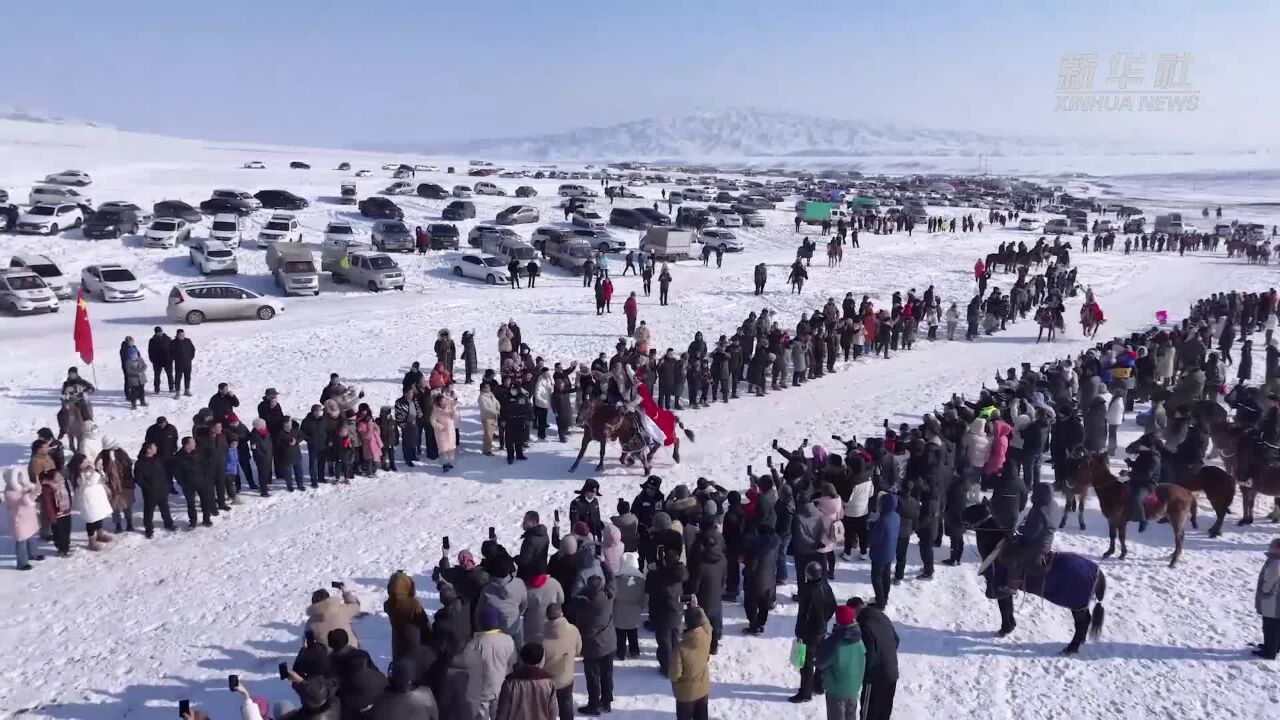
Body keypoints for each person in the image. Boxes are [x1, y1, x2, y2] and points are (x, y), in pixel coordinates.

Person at [1000, 483, 1057, 594]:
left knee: (1009, 555)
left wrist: (1020, 529)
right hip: (1045, 542)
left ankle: (1012, 586)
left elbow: (1031, 533)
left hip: (1035, 546)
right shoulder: (1053, 504)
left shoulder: (1040, 510)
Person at [791, 561, 836, 703]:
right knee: (819, 659)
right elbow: (833, 606)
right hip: (821, 630)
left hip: (809, 633)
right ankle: (818, 685)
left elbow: (804, 614)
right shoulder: (826, 586)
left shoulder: (807, 591)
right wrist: (824, 619)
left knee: (806, 663)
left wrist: (799, 631)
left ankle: (805, 692)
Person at [462, 607, 518, 720]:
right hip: (501, 689)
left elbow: (466, 666)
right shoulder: (508, 640)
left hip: (481, 691)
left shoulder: (474, 644)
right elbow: (513, 663)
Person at [572, 575, 617, 715]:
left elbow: (572, 598)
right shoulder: (608, 598)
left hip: (591, 645)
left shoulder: (582, 604)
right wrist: (603, 563)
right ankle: (607, 702)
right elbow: (612, 581)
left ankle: (594, 704)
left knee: (592, 677)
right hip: (608, 643)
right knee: (607, 674)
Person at [848, 597, 899, 720]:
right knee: (884, 713)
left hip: (876, 677)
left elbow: (869, 655)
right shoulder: (881, 615)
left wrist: (862, 675)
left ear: (855, 610)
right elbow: (896, 640)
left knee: (869, 713)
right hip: (892, 672)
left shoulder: (864, 624)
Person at [817, 605, 866, 720]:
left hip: (837, 690)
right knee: (851, 716)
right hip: (853, 687)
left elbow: (820, 663)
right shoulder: (858, 637)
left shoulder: (834, 642)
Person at [670, 605, 713, 720]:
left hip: (686, 693)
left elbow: (675, 675)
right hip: (703, 688)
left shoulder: (680, 648)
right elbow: (706, 622)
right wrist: (698, 609)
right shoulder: (707, 634)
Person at [496, 643, 558, 720]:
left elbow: (503, 711)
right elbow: (552, 710)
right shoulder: (548, 682)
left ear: (522, 658)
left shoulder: (510, 682)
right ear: (541, 659)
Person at [540, 603, 581, 720]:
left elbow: (539, 664)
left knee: (547, 708)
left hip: (548, 682)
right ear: (561, 613)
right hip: (566, 677)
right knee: (566, 705)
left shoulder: (542, 639)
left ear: (547, 616)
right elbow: (578, 650)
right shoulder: (574, 630)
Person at [3, 468, 43, 569]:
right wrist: (29, 494)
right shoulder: (9, 492)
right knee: (21, 541)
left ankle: (32, 554)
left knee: (31, 537)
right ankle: (22, 563)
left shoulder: (24, 487)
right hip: (19, 520)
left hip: (28, 518)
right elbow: (22, 502)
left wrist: (34, 490)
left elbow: (30, 497)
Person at [133, 441, 175, 538]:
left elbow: (164, 473)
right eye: (154, 447)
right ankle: (149, 529)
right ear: (148, 450)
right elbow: (138, 479)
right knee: (148, 512)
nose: (156, 448)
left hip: (162, 490)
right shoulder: (140, 463)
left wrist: (166, 485)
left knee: (165, 509)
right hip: (150, 493)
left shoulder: (158, 459)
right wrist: (148, 488)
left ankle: (169, 523)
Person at [868, 494, 899, 608]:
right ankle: (884, 597)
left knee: (876, 578)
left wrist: (871, 527)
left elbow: (874, 539)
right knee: (886, 576)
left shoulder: (882, 521)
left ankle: (880, 602)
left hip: (880, 554)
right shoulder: (896, 516)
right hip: (890, 551)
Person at [614, 552, 645, 659]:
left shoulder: (616, 580)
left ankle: (620, 652)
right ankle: (634, 651)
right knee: (633, 633)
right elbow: (644, 598)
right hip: (634, 611)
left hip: (619, 611)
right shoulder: (641, 581)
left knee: (620, 634)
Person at [1255, 538, 1280, 660]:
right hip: (1276, 600)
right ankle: (1275, 646)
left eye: (1271, 546)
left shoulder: (1276, 562)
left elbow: (1271, 580)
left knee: (1270, 626)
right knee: (1276, 626)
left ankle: (1269, 651)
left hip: (1273, 601)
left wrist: (1264, 591)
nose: (1269, 548)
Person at [147, 326, 173, 395]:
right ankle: (157, 388)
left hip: (167, 360)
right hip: (157, 361)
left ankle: (171, 387)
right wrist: (152, 359)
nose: (159, 333)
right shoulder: (152, 340)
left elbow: (172, 348)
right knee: (157, 375)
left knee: (170, 374)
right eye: (158, 332)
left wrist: (172, 357)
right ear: (155, 333)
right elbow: (150, 351)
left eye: (160, 332)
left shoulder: (168, 339)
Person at [171, 329, 195, 397]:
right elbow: (170, 353)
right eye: (181, 335)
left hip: (188, 363)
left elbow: (193, 349)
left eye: (183, 334)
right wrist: (175, 358)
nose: (182, 336)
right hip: (179, 364)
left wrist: (191, 357)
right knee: (178, 378)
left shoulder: (188, 341)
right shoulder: (173, 343)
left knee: (187, 377)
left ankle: (187, 390)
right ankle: (177, 392)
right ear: (177, 335)